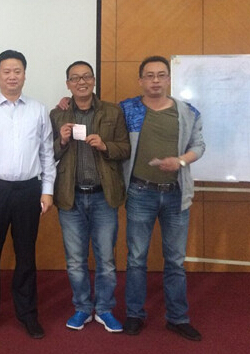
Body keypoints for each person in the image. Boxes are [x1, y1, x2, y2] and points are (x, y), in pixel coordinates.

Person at [0, 49, 56, 339]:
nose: (12, 76)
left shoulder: (39, 109)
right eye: (6, 71)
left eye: (17, 71)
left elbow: (47, 153)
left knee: (26, 256)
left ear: (24, 75)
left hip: (29, 190)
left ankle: (28, 314)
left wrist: (47, 190)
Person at [120, 55, 205, 341]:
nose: (155, 80)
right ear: (140, 80)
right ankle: (134, 314)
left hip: (176, 196)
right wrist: (66, 103)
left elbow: (199, 145)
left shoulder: (187, 112)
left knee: (175, 261)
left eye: (161, 75)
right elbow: (98, 115)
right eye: (150, 75)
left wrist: (180, 161)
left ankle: (177, 318)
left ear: (169, 79)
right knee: (136, 259)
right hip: (140, 193)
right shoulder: (127, 109)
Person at [50, 61, 130, 333]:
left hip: (103, 197)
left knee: (106, 259)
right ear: (68, 84)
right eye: (75, 78)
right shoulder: (57, 114)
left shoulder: (112, 111)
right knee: (75, 261)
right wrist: (61, 141)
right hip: (70, 197)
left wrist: (105, 146)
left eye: (86, 77)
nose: (81, 82)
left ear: (94, 80)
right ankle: (83, 308)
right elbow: (47, 154)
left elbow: (125, 149)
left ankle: (105, 309)